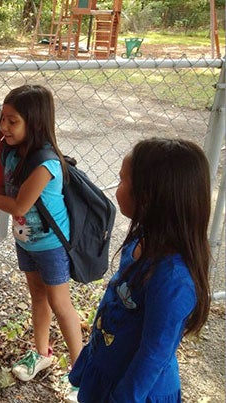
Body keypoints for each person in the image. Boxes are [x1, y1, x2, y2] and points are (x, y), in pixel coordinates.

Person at [68, 137, 211, 402]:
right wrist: (87, 363)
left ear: (147, 198)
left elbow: (153, 355)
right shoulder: (140, 242)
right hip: (108, 373)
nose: (117, 187)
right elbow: (113, 307)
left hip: (135, 392)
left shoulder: (173, 280)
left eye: (122, 180)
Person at [0, 84, 83, 383]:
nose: (4, 126)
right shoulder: (13, 153)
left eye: (12, 121)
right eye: (3, 118)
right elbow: (11, 189)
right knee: (38, 297)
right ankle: (41, 353)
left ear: (35, 122)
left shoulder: (46, 162)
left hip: (51, 245)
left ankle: (82, 370)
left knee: (60, 304)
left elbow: (19, 203)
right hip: (26, 241)